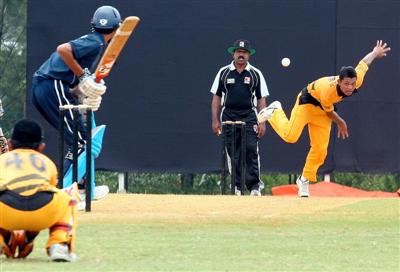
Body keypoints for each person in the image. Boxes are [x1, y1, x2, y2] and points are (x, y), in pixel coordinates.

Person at [257, 40, 391, 197]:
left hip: (322, 112)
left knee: (320, 150)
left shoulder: (356, 81)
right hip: (306, 104)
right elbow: (330, 113)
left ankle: (304, 180)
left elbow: (363, 63)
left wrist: (375, 52)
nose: (350, 87)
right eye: (346, 84)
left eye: (352, 84)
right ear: (339, 82)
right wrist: (341, 122)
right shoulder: (329, 91)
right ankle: (275, 111)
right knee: (290, 136)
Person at [30, 5, 121, 200]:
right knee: (83, 141)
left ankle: (83, 186)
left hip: (45, 87)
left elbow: (70, 79)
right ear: (116, 28)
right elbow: (63, 50)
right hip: (51, 85)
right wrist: (83, 75)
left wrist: (85, 92)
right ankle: (67, 190)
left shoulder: (93, 41)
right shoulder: (96, 43)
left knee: (80, 138)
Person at [0, 119, 78, 262]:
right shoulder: (47, 162)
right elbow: (46, 192)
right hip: (42, 213)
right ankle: (59, 244)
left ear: (10, 144)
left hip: (5, 212)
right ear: (41, 147)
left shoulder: (3, 159)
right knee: (68, 196)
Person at [210, 39, 269, 196]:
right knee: (232, 151)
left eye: (244, 52)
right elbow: (216, 97)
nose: (241, 55)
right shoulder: (224, 72)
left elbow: (261, 99)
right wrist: (215, 120)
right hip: (228, 114)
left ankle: (255, 187)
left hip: (249, 115)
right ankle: (236, 186)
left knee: (251, 149)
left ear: (248, 55)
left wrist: (262, 121)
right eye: (238, 52)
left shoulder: (256, 74)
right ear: (233, 54)